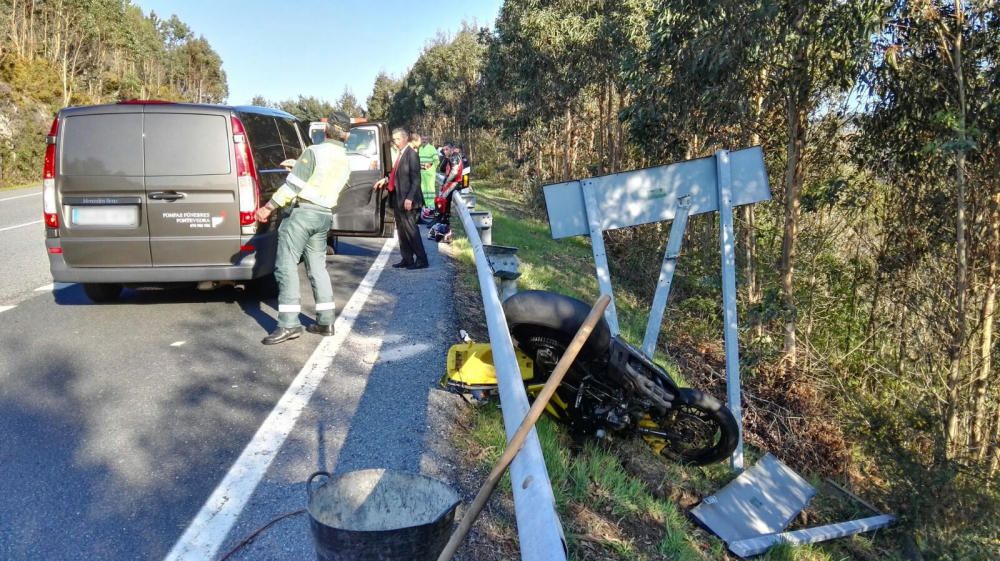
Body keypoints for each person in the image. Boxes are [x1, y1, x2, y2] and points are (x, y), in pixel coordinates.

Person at [254, 112, 351, 345]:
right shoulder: (345, 159)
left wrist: (268, 208)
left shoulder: (314, 152)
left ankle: (288, 324)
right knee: (318, 267)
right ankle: (326, 321)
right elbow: (330, 181)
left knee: (285, 266)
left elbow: (292, 187)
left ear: (326, 128)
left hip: (303, 215)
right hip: (323, 216)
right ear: (345, 134)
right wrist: (299, 166)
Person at [374, 127, 429, 269]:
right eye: (395, 140)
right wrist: (386, 181)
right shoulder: (400, 154)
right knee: (402, 231)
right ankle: (407, 258)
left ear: (405, 139)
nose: (396, 142)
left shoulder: (411, 154)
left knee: (411, 230)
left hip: (408, 200)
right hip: (398, 198)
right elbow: (396, 175)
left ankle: (422, 259)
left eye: (398, 139)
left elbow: (416, 180)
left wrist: (409, 198)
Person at [413, 132, 439, 211]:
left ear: (428, 139)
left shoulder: (432, 148)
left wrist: (431, 169)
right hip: (422, 173)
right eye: (423, 139)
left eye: (425, 139)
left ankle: (431, 206)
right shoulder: (420, 148)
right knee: (423, 190)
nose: (424, 140)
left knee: (430, 191)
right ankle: (426, 206)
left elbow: (436, 161)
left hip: (429, 173)